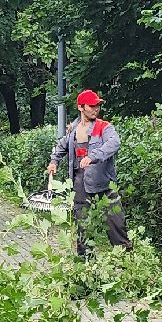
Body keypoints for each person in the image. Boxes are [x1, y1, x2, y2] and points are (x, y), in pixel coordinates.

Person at [47, 89, 130, 256]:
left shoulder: (104, 127)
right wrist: (54, 162)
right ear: (80, 107)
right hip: (80, 183)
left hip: (104, 183)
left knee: (116, 222)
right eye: (91, 106)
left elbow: (114, 143)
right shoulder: (73, 129)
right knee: (82, 226)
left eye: (97, 105)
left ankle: (125, 258)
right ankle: (86, 262)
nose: (96, 109)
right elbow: (61, 146)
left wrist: (93, 156)